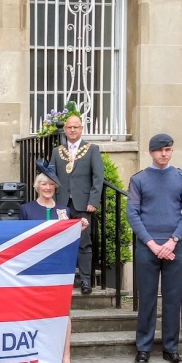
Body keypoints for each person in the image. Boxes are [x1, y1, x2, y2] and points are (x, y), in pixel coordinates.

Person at [127, 133, 182, 363]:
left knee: (172, 298)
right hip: (148, 247)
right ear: (151, 152)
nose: (164, 154)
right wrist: (152, 243)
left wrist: (173, 240)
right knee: (146, 298)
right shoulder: (139, 179)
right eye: (159, 150)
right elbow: (132, 213)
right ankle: (144, 347)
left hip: (174, 247)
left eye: (168, 150)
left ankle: (170, 348)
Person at [19, 160, 88, 363]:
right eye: (43, 184)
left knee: (63, 312)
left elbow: (67, 238)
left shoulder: (64, 210)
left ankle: (65, 354)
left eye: (51, 184)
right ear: (36, 186)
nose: (47, 188)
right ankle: (37, 353)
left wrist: (80, 226)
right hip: (35, 269)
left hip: (58, 270)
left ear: (55, 187)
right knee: (34, 313)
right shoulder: (26, 209)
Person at [48, 114, 103, 294]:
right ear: (64, 129)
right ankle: (63, 278)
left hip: (83, 204)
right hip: (61, 203)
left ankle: (86, 280)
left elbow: (98, 177)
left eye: (76, 127)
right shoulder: (57, 151)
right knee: (61, 242)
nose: (72, 130)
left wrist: (93, 201)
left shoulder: (92, 149)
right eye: (69, 127)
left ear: (81, 129)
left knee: (84, 242)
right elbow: (51, 176)